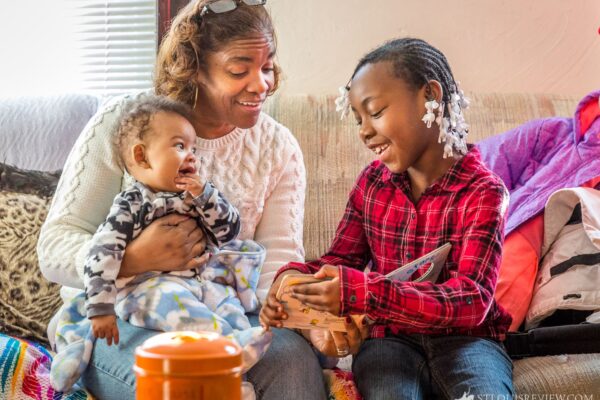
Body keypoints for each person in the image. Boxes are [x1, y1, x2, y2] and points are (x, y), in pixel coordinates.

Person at [38, 1, 327, 399]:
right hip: (117, 314)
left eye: (267, 67)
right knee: (182, 378)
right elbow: (54, 244)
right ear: (194, 68)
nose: (261, 84)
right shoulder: (127, 123)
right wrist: (134, 258)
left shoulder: (278, 148)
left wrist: (301, 314)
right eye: (239, 70)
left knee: (292, 360)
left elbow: (276, 264)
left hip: (223, 312)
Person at [261, 37, 515, 399]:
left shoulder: (484, 192)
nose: (364, 130)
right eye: (358, 119)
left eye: (376, 112)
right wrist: (294, 281)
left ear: (430, 96)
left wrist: (364, 292)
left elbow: (471, 300)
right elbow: (341, 261)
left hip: (470, 343)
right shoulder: (372, 185)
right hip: (388, 343)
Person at [49, 95, 270, 393]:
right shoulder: (132, 204)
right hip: (146, 288)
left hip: (198, 283)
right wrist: (101, 309)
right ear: (141, 157)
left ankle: (235, 378)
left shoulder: (197, 198)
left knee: (228, 306)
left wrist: (204, 195)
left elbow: (229, 231)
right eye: (180, 146)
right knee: (179, 307)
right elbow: (101, 254)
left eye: (193, 149)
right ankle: (226, 350)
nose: (191, 156)